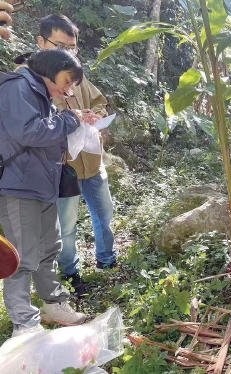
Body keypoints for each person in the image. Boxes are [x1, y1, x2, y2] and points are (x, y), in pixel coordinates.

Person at [0, 49, 88, 336]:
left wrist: (75, 123)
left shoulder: (43, 95)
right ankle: (24, 322)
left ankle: (54, 304)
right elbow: (29, 132)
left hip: (43, 184)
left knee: (49, 248)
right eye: (68, 79)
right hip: (18, 185)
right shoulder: (17, 87)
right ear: (52, 68)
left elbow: (49, 136)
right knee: (22, 256)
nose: (69, 88)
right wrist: (70, 120)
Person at [37, 15, 118, 297]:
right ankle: (71, 275)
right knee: (66, 226)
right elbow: (33, 128)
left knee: (104, 213)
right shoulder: (32, 81)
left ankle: (107, 260)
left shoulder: (77, 75)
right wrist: (68, 119)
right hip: (62, 168)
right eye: (60, 45)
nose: (67, 53)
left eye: (72, 48)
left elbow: (98, 101)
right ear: (41, 43)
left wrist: (97, 116)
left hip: (92, 161)